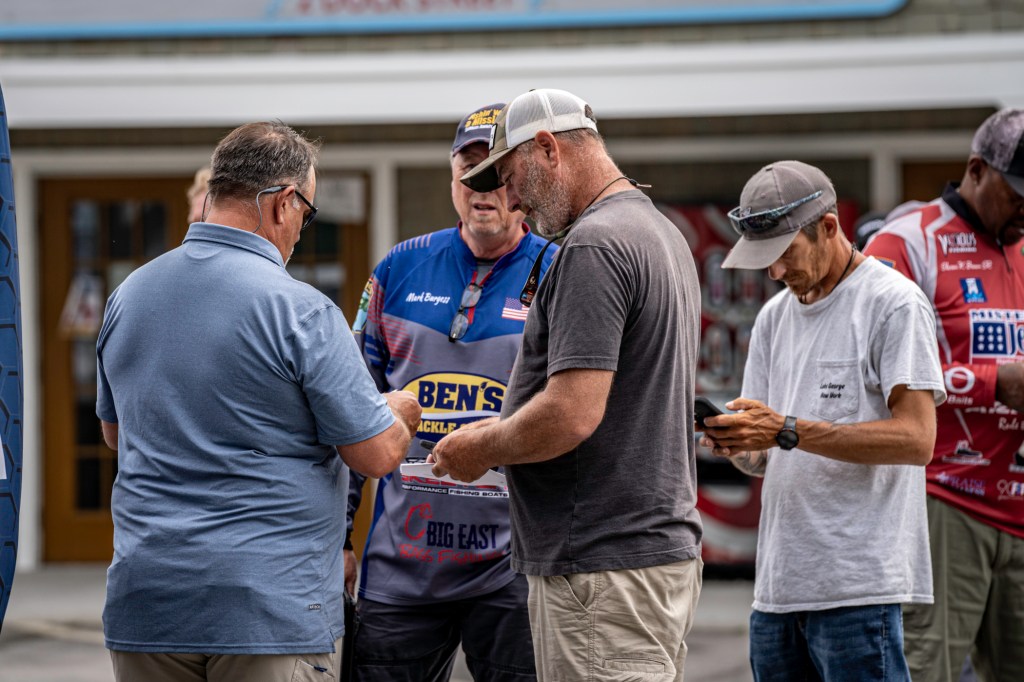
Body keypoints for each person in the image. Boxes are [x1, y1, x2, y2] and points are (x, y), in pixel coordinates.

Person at [96, 121, 421, 682]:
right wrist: (399, 412)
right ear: (283, 202)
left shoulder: (128, 296)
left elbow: (116, 434)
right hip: (267, 612)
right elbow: (375, 454)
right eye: (306, 214)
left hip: (146, 601)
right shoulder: (301, 311)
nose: (299, 231)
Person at [431, 88, 704, 680]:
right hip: (645, 557)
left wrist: (483, 447)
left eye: (510, 176)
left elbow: (572, 414)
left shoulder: (594, 245)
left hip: (599, 567)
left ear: (548, 148)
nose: (511, 200)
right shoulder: (659, 232)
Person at [703, 160, 946, 681]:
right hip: (777, 587)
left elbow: (917, 438)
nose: (774, 273)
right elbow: (765, 454)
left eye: (784, 254)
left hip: (859, 589)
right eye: (764, 260)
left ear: (829, 227)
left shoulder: (893, 304)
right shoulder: (773, 318)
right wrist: (737, 443)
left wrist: (787, 430)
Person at [345, 103, 554, 681]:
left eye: (497, 172)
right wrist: (338, 539)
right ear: (452, 175)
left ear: (522, 180)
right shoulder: (398, 269)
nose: (482, 188)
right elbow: (351, 410)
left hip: (513, 569)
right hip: (402, 570)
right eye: (469, 170)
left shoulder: (559, 271)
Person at [864, 108, 1024, 682]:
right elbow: (869, 370)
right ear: (977, 170)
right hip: (946, 500)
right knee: (923, 669)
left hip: (1019, 502)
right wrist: (994, 382)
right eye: (1018, 191)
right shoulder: (906, 241)